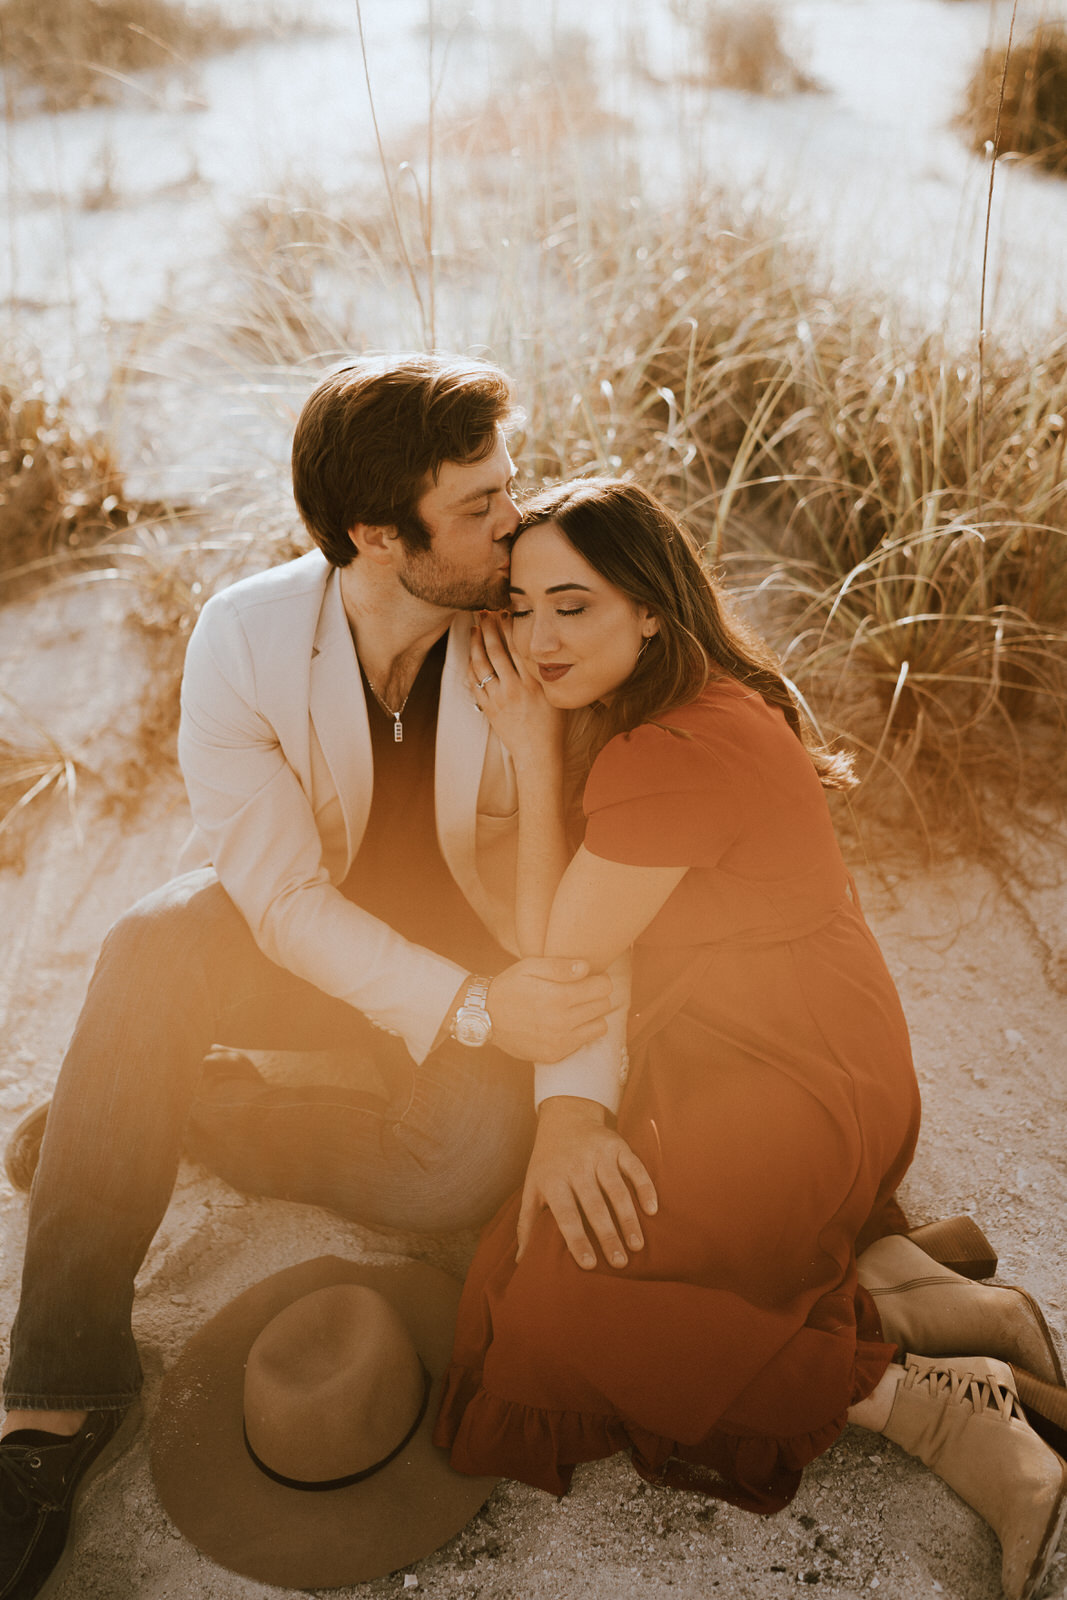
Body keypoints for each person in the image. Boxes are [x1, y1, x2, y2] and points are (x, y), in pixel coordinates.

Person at [0, 355, 624, 1600]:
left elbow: (586, 896)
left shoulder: (536, 627)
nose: (517, 518)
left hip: (467, 969)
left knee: (457, 1166)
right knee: (153, 941)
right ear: (377, 536)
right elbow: (278, 902)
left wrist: (565, 1087)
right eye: (482, 505)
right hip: (310, 959)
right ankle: (53, 1405)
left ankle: (148, 1113)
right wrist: (471, 1010)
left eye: (510, 486)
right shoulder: (243, 635)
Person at [432, 478, 1067, 1600]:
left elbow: (556, 960)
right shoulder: (700, 700)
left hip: (793, 1090)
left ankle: (949, 1420)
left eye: (571, 606)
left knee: (545, 1303)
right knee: (545, 1248)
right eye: (521, 607)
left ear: (649, 608)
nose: (535, 640)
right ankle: (938, 1309)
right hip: (807, 1056)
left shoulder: (666, 749)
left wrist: (532, 752)